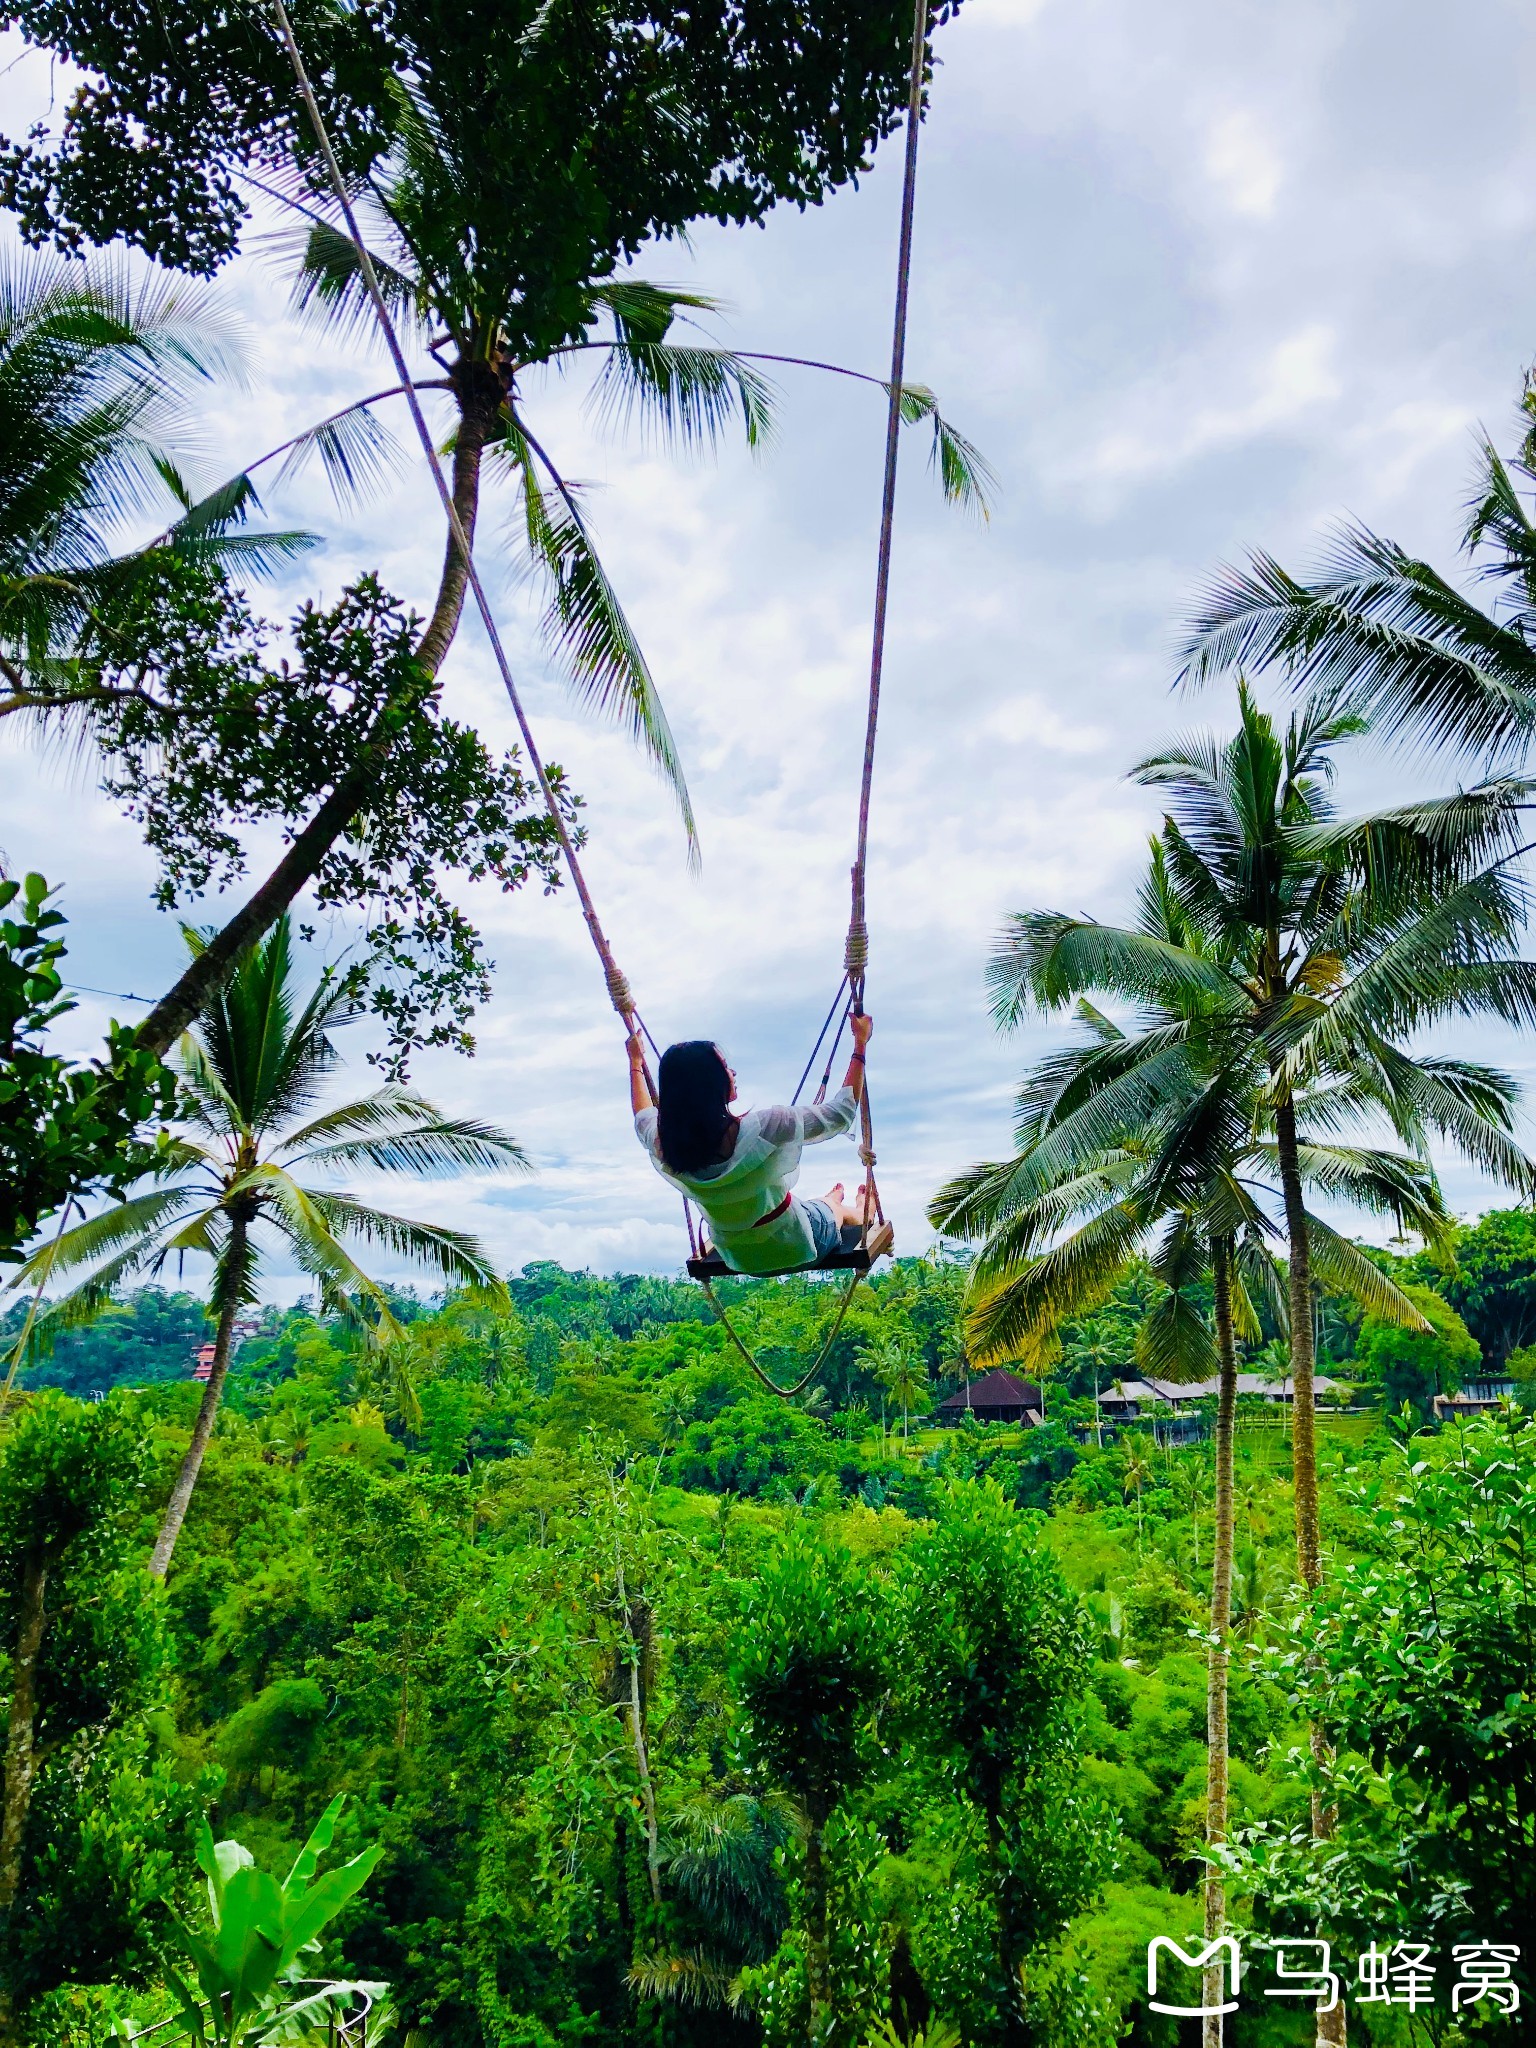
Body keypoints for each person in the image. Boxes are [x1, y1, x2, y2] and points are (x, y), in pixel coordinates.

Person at [628, 1015, 892, 1276]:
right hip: (798, 1248)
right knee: (834, 1211)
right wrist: (860, 1045)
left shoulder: (665, 1145)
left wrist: (635, 1064)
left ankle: (829, 1199)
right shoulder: (767, 1127)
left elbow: (642, 1115)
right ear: (713, 1084)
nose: (732, 1072)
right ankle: (857, 1209)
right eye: (724, 1068)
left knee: (806, 1204)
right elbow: (840, 1114)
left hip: (740, 1258)